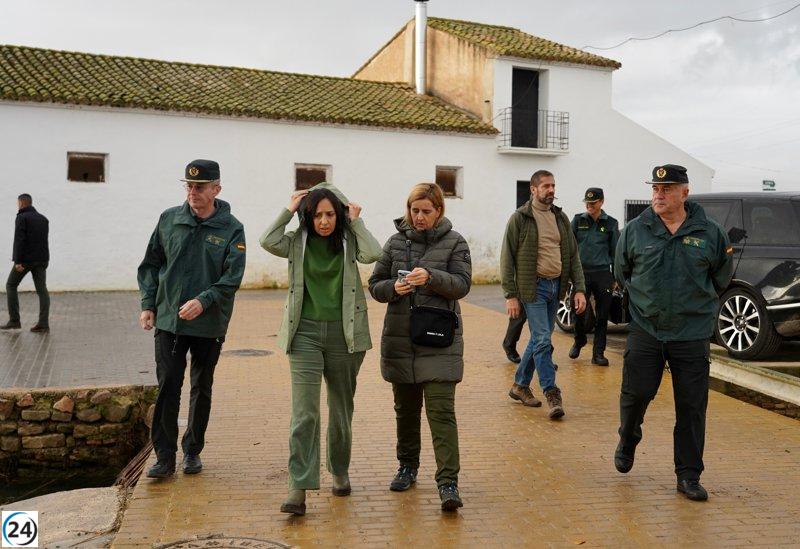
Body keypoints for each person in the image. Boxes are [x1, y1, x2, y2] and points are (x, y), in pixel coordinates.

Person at [261, 183, 382, 517]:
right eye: (317, 215)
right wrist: (288, 209)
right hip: (305, 335)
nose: (324, 221)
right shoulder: (296, 242)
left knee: (341, 409)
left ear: (339, 215)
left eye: (330, 214)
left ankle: (339, 469)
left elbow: (373, 254)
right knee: (305, 413)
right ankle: (298, 486)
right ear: (308, 216)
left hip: (346, 336)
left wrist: (355, 221)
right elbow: (267, 240)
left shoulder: (349, 241)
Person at [614, 164, 733, 502]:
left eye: (667, 189)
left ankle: (688, 475)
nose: (659, 194)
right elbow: (622, 272)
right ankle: (628, 437)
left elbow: (721, 277)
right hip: (647, 329)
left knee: (692, 406)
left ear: (685, 192)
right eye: (655, 188)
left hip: (691, 331)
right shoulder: (636, 230)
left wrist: (693, 303)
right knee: (636, 393)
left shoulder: (710, 233)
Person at [137, 159, 246, 479]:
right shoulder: (169, 220)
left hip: (208, 323)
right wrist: (148, 304)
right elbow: (151, 264)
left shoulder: (231, 228)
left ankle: (192, 450)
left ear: (216, 189)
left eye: (200, 187)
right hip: (169, 320)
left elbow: (232, 276)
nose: (193, 192)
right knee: (168, 386)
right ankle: (165, 457)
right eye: (188, 186)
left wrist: (204, 301)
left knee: (202, 386)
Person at [369, 182, 471, 512]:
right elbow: (374, 285)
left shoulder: (456, 242)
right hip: (402, 339)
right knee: (406, 412)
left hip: (440, 342)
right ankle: (407, 468)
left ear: (439, 211)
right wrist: (394, 288)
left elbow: (462, 285)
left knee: (441, 413)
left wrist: (431, 277)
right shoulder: (395, 242)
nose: (419, 216)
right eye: (414, 210)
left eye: (426, 211)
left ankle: (448, 482)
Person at [501, 170, 586, 419]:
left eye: (553, 185)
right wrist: (510, 294)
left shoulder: (560, 218)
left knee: (539, 339)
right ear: (534, 189)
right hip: (533, 287)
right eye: (546, 186)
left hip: (555, 287)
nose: (551, 190)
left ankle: (520, 385)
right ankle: (552, 392)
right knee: (542, 340)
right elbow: (507, 258)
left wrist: (579, 288)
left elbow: (573, 256)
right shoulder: (520, 218)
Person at [569, 187, 619, 366]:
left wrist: (615, 278)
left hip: (603, 273)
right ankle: (579, 339)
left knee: (602, 315)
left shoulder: (611, 223)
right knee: (578, 311)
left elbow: (616, 253)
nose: (589, 206)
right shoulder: (577, 220)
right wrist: (569, 274)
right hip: (581, 273)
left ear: (601, 202)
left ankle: (598, 353)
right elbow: (569, 248)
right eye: (587, 203)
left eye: (593, 203)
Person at [2, 194, 50, 333]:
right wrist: (45, 260)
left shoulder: (22, 217)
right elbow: (43, 241)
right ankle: (43, 324)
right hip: (41, 259)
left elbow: (19, 240)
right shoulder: (43, 219)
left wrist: (18, 261)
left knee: (11, 285)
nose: (18, 206)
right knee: (42, 290)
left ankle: (14, 321)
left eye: (18, 203)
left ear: (22, 203)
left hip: (26, 260)